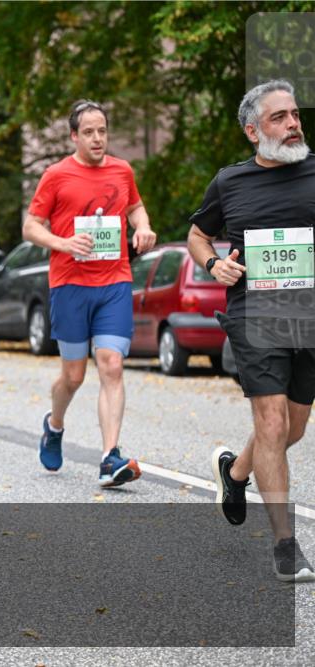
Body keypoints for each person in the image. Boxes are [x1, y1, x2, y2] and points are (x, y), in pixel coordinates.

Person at [188, 80, 314, 582]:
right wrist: (212, 265)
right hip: (254, 316)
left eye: (294, 114)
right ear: (252, 131)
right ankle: (286, 545)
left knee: (294, 428)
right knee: (271, 423)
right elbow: (199, 235)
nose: (293, 124)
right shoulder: (230, 182)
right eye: (279, 117)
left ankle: (235, 473)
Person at [22, 100, 156, 487]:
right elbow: (31, 227)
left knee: (111, 364)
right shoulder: (56, 175)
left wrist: (142, 228)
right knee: (74, 376)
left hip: (114, 281)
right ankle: (55, 425)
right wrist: (62, 243)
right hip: (69, 285)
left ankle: (109, 457)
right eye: (89, 132)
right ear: (74, 136)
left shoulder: (122, 170)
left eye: (103, 131)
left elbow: (136, 208)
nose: (98, 138)